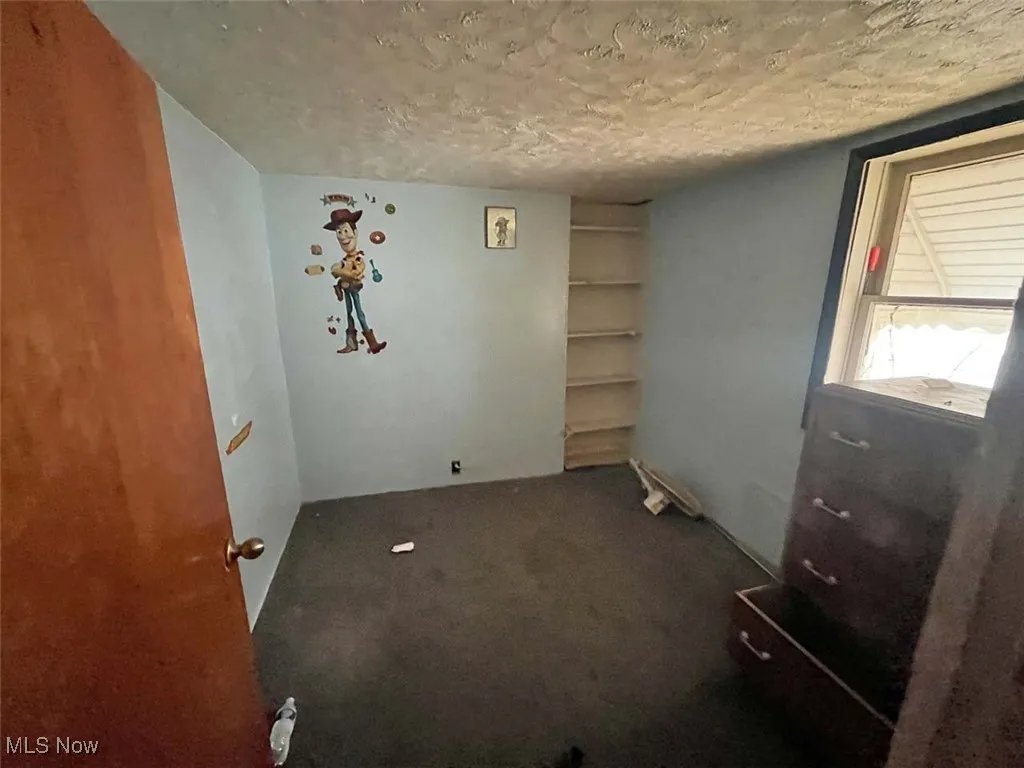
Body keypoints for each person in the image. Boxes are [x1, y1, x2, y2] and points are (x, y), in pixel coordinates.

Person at [324, 209, 386, 354]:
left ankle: (373, 343)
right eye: (339, 232)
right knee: (349, 314)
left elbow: (355, 273)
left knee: (359, 314)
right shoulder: (345, 260)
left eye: (345, 231)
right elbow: (336, 271)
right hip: (346, 289)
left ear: (355, 232)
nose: (342, 237)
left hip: (353, 287)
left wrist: (339, 271)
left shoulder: (358, 259)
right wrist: (340, 273)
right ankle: (351, 343)